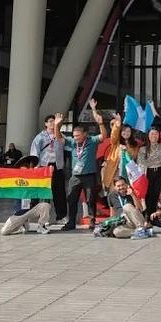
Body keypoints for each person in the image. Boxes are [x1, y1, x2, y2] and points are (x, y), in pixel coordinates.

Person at [54, 98, 108, 231]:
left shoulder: (92, 141)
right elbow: (59, 138)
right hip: (75, 176)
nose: (76, 138)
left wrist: (101, 123)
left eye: (78, 135)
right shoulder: (72, 142)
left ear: (85, 134)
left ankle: (92, 221)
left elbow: (103, 136)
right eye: (74, 135)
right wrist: (57, 126)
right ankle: (71, 222)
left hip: (89, 175)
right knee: (71, 199)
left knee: (90, 199)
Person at [0, 155, 52, 236]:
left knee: (45, 205)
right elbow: (1, 177)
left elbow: (44, 179)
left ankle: (41, 226)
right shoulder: (15, 181)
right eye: (24, 167)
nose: (27, 169)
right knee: (4, 232)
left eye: (29, 166)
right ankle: (22, 224)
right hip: (20, 213)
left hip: (32, 209)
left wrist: (49, 172)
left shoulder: (35, 180)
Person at [30, 114, 68, 223]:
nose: (52, 123)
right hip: (44, 166)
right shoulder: (40, 137)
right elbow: (34, 152)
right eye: (50, 121)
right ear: (45, 123)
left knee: (59, 192)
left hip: (57, 166)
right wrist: (35, 167)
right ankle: (43, 217)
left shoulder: (61, 136)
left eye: (54, 121)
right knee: (44, 192)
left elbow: (67, 148)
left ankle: (61, 216)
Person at [101, 114, 141, 195]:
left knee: (126, 191)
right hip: (116, 170)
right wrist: (118, 124)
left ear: (131, 133)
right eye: (124, 131)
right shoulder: (116, 142)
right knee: (114, 191)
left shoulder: (134, 145)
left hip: (128, 171)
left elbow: (135, 158)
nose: (126, 133)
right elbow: (114, 135)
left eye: (128, 131)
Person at [137, 127, 161, 218]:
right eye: (152, 134)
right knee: (148, 194)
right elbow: (140, 164)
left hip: (159, 172)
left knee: (157, 194)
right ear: (148, 136)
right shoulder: (143, 149)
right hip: (147, 173)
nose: (154, 136)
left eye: (156, 134)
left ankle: (155, 215)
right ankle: (147, 215)